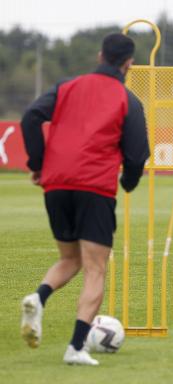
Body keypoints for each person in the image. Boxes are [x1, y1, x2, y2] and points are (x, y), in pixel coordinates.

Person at [20, 33, 150, 365]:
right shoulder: (128, 99)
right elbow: (136, 155)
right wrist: (129, 183)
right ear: (128, 63)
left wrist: (38, 163)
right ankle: (76, 347)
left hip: (56, 184)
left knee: (70, 259)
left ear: (99, 55)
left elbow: (31, 117)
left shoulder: (67, 86)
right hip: (94, 187)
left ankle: (38, 296)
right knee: (95, 269)